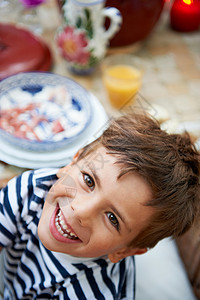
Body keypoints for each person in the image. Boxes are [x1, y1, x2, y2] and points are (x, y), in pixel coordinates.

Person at [0, 112, 199, 299]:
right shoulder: (32, 189)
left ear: (125, 251)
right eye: (89, 181)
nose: (80, 211)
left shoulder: (91, 293)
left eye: (112, 218)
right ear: (73, 162)